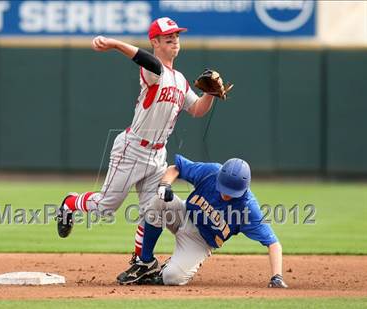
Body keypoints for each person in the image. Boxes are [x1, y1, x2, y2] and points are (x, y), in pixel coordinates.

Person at [56, 17, 228, 276]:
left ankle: (142, 261)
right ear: (155, 42)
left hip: (158, 154)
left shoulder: (180, 80)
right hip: (132, 149)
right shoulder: (153, 70)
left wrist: (211, 94)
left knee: (155, 208)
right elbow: (146, 60)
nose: (174, 40)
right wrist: (114, 44)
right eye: (168, 36)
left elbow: (197, 110)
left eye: (176, 36)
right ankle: (69, 204)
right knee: (106, 206)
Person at [117, 154, 288, 288]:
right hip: (183, 214)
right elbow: (176, 168)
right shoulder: (212, 172)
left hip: (200, 241)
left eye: (231, 192)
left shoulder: (248, 209)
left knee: (172, 278)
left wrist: (277, 276)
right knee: (159, 200)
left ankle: (169, 268)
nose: (225, 194)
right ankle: (146, 262)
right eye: (224, 188)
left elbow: (273, 243)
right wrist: (165, 184)